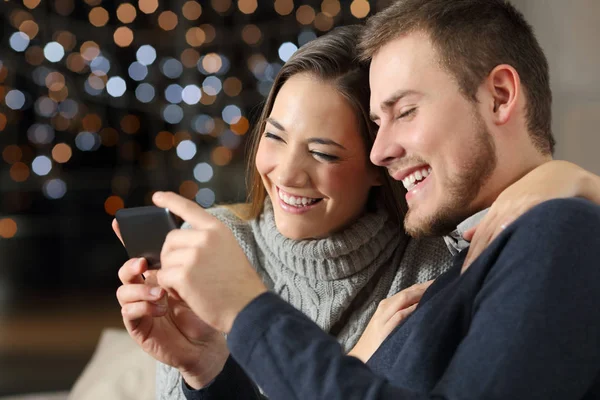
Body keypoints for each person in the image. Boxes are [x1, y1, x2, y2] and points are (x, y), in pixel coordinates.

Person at [150, 1, 600, 399]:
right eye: (377, 122)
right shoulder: (468, 264)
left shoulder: (556, 231)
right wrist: (209, 370)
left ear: (499, 96)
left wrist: (247, 309)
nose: (380, 152)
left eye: (404, 111)